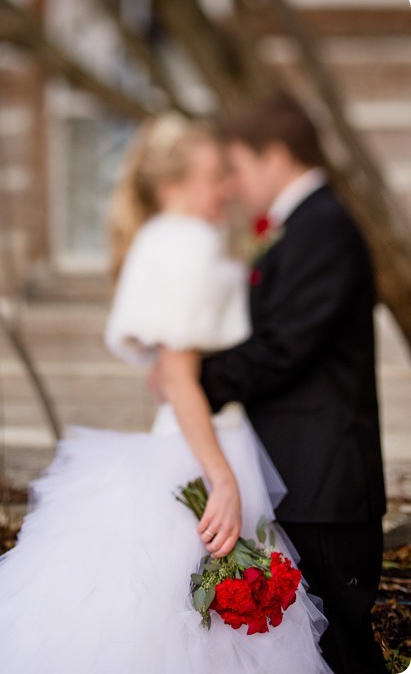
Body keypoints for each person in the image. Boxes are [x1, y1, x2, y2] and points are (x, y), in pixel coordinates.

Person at [0, 113, 332, 674]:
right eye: (214, 176)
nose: (227, 188)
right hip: (208, 444)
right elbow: (178, 376)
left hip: (178, 434)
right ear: (171, 186)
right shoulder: (190, 244)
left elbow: (163, 371)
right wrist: (222, 478)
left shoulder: (157, 240)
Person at [176, 94, 386, 674]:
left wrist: (191, 378)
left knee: (341, 646)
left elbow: (285, 347)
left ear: (274, 156)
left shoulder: (324, 226)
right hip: (302, 477)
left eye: (238, 167)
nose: (235, 186)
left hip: (326, 484)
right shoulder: (304, 225)